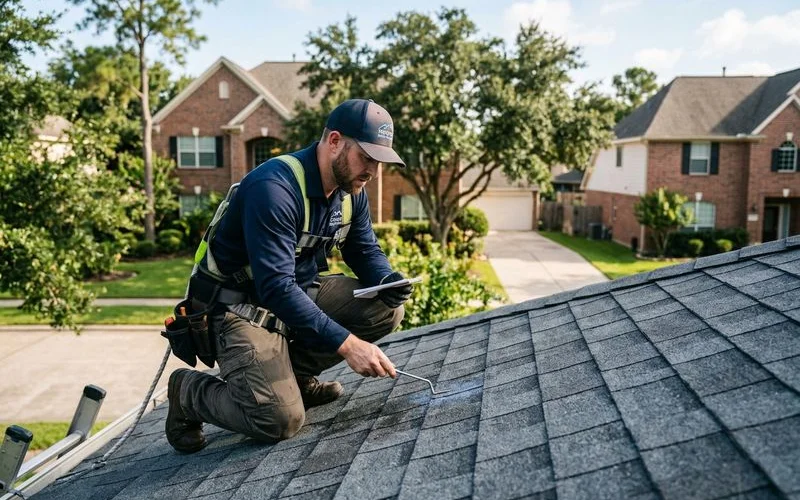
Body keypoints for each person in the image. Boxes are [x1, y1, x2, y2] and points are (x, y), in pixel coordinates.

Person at [165, 99, 412, 453]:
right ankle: (188, 393)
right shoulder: (275, 188)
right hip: (238, 309)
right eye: (367, 157)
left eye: (380, 161)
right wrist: (348, 344)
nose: (373, 171)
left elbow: (363, 249)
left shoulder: (350, 191)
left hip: (292, 294)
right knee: (279, 421)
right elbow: (276, 287)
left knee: (385, 309)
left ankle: (293, 379)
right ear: (334, 142)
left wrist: (386, 279)